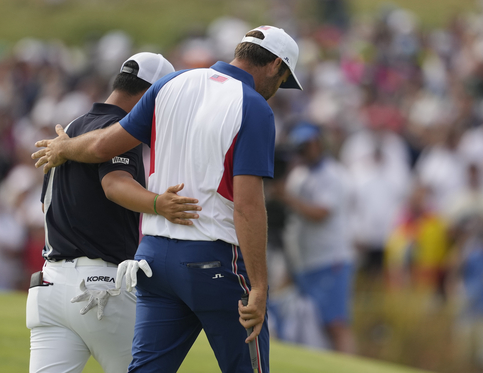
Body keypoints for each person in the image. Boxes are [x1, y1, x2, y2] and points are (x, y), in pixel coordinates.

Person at [32, 25, 302, 373]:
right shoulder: (254, 107)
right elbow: (248, 206)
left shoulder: (170, 84)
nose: (277, 90)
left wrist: (63, 147)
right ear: (276, 65)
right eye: (283, 81)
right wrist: (261, 285)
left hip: (154, 260)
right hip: (214, 259)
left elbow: (102, 146)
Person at [26, 52, 202, 373]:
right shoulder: (118, 131)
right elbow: (115, 184)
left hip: (49, 288)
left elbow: (45, 205)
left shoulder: (73, 129)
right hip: (100, 288)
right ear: (153, 95)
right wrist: (157, 203)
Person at [280, 122, 356, 353]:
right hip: (305, 261)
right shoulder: (299, 175)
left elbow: (321, 213)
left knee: (334, 323)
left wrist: (286, 197)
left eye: (308, 145)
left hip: (329, 259)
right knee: (312, 324)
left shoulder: (333, 174)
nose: (304, 150)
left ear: (318, 144)